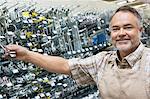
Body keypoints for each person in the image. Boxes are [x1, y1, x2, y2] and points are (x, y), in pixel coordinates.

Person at [4, 5, 150, 99]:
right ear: (110, 34)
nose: (121, 33)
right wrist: (27, 55)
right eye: (116, 29)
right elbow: (66, 65)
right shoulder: (103, 61)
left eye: (128, 27)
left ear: (140, 31)